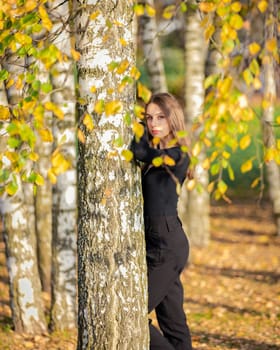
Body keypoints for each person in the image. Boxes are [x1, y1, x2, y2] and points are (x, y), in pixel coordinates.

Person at [131, 92, 193, 350]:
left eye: (161, 117)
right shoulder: (157, 151)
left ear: (173, 119)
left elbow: (139, 150)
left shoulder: (178, 155)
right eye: (148, 118)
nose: (153, 123)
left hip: (167, 245)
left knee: (131, 315)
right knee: (174, 322)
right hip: (158, 242)